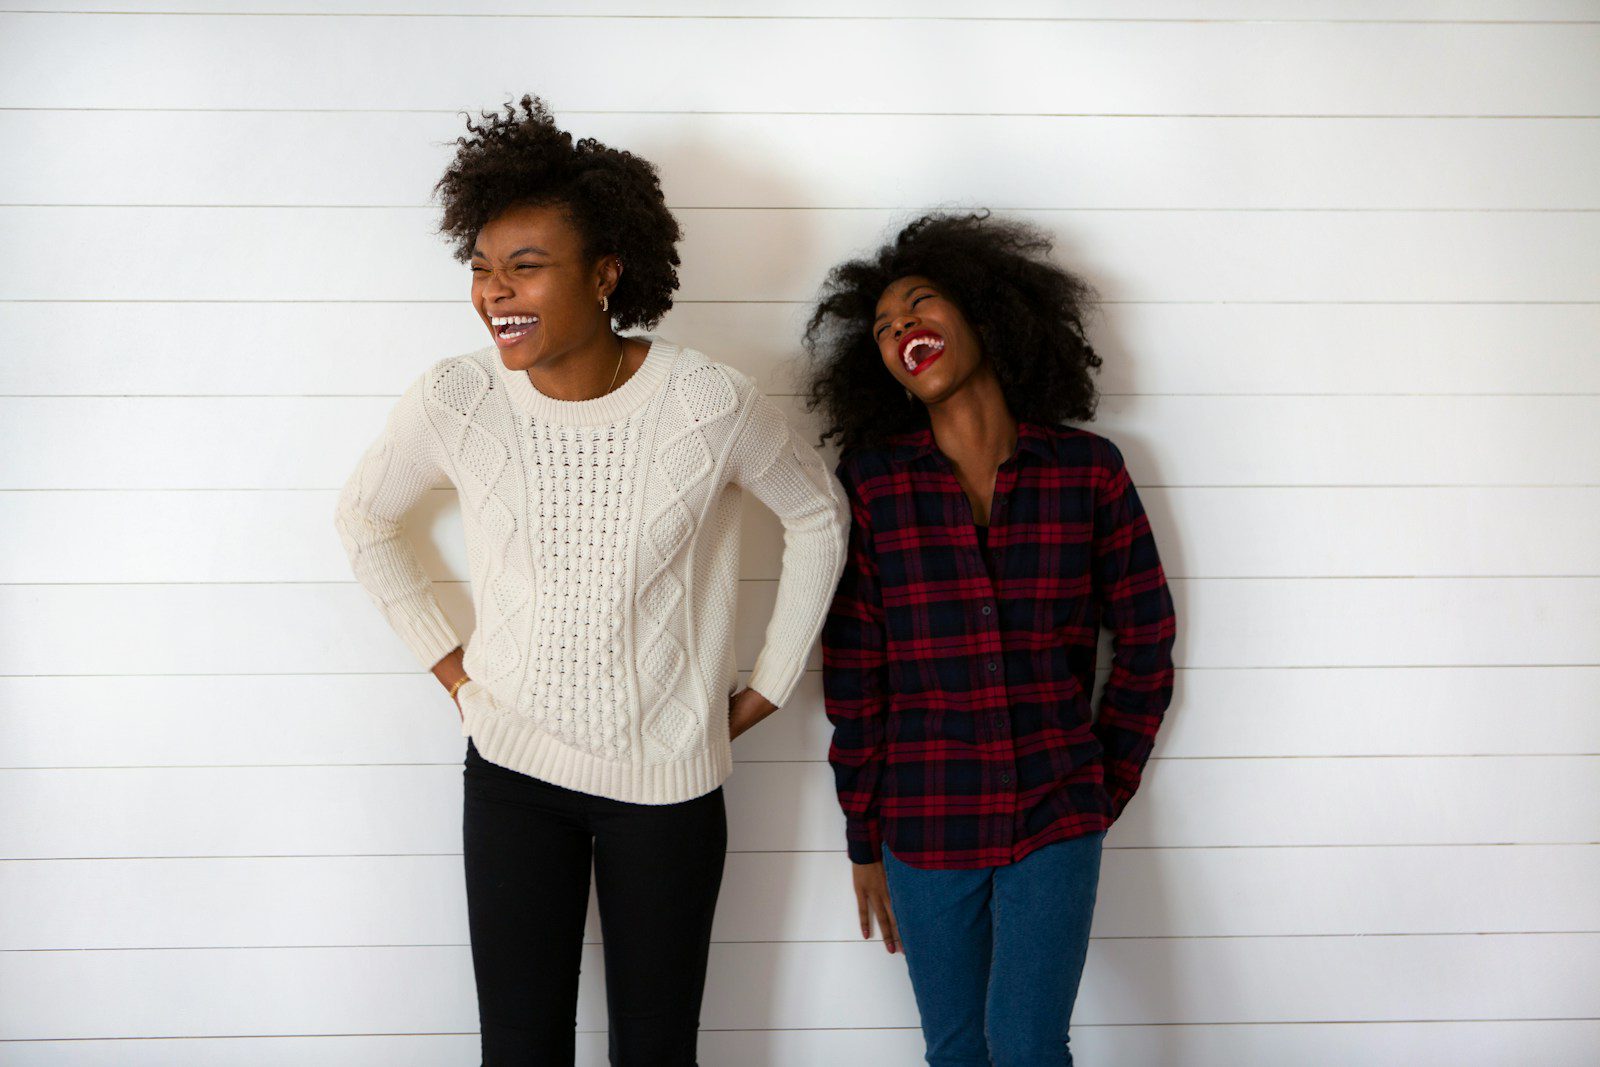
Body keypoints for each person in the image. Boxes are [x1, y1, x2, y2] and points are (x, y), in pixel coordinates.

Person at [333, 95, 849, 1066]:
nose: (495, 293)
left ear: (606, 272)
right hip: (512, 773)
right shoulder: (457, 396)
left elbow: (818, 513)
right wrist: (452, 671)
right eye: (481, 268)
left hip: (669, 785)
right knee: (520, 1052)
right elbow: (362, 516)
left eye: (526, 265)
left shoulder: (708, 403)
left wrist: (770, 682)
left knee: (656, 1053)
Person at [805, 211, 1177, 1067]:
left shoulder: (1089, 472)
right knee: (957, 1050)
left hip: (1058, 809)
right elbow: (857, 675)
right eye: (885, 328)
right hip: (925, 821)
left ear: (983, 313)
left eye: (920, 305)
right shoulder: (872, 488)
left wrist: (1099, 783)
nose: (901, 329)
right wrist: (865, 837)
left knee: (1027, 1042)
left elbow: (1147, 639)